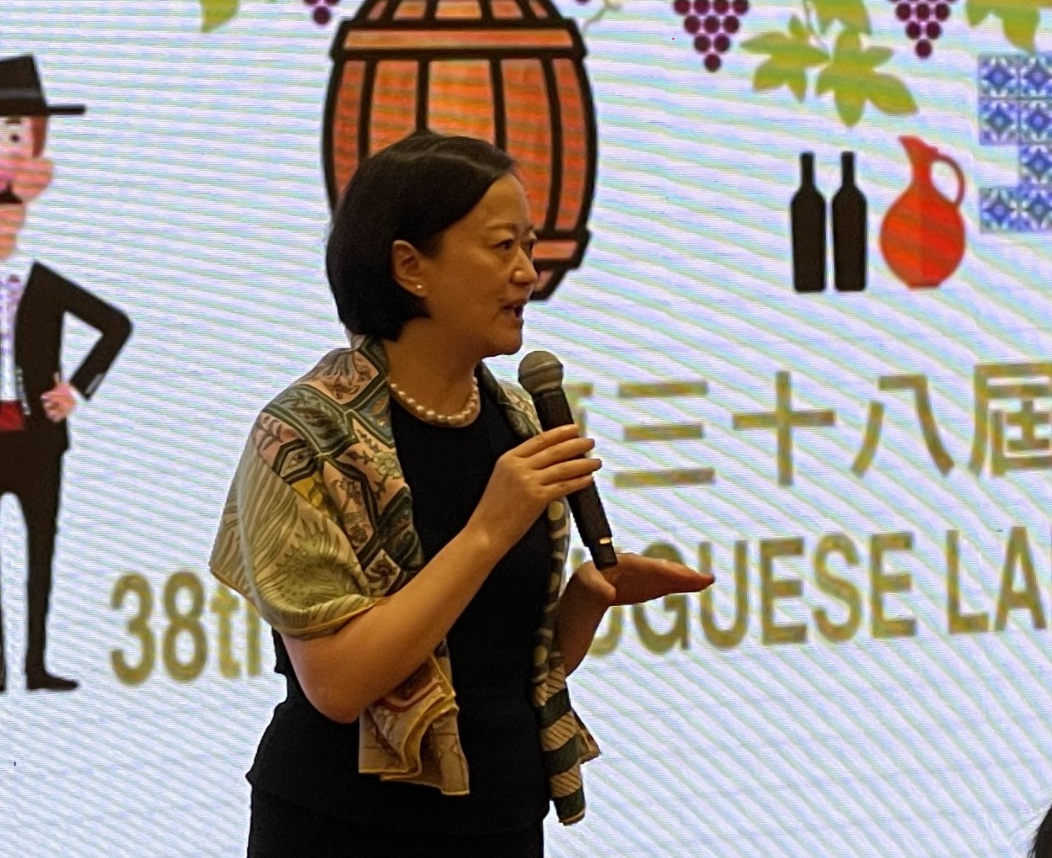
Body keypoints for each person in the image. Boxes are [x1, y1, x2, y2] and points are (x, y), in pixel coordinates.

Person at [210, 130, 714, 858]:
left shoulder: (518, 417)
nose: (527, 273)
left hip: (501, 814)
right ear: (410, 266)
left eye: (529, 247)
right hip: (345, 826)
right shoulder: (305, 435)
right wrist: (487, 530)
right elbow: (340, 685)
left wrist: (586, 599)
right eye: (502, 247)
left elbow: (491, 670)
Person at [0, 54, 132, 692]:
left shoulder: (43, 281)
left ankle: (35, 663)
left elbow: (115, 325)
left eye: (16, 137)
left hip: (37, 435)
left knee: (41, 553)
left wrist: (75, 389)